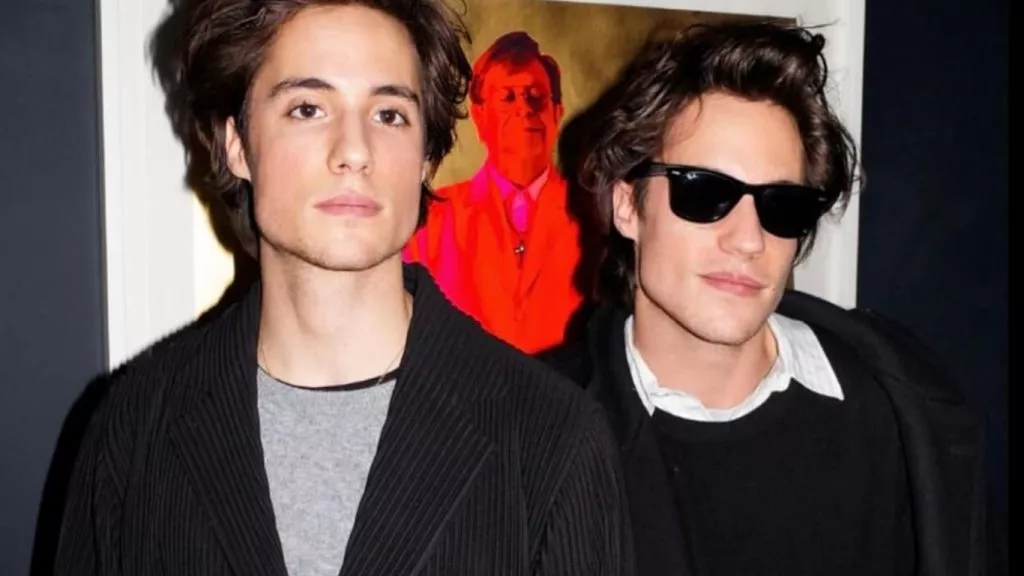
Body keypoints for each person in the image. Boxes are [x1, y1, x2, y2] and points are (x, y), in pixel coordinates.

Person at [53, 2, 633, 574]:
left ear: (426, 158)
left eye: (389, 115)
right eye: (308, 109)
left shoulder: (555, 438)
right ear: (237, 144)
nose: (355, 151)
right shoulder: (134, 427)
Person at [542, 21, 992, 576]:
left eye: (781, 205)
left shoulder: (906, 413)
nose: (749, 239)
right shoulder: (531, 438)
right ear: (627, 206)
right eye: (704, 192)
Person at [405, 31, 584, 354]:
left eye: (535, 96)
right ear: (479, 116)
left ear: (557, 113)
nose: (524, 109)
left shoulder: (595, 216)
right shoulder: (430, 220)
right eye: (507, 97)